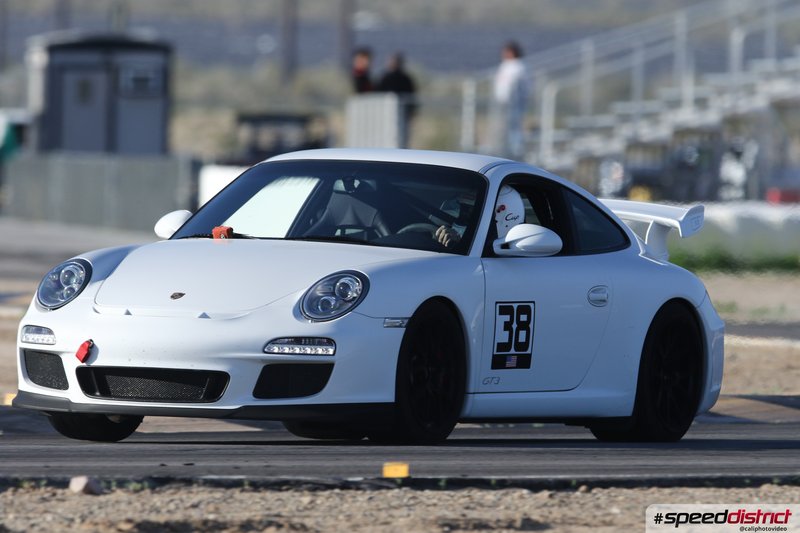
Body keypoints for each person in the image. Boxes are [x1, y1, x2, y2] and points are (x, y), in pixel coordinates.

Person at [435, 185, 524, 247]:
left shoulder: (511, 254)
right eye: (463, 209)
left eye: (472, 211)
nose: (464, 214)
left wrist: (460, 244)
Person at [490, 41, 529, 159]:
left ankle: (515, 152)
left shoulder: (519, 66)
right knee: (503, 128)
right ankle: (502, 149)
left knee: (514, 127)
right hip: (502, 102)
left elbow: (521, 85)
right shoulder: (505, 65)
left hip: (514, 103)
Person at [377, 52, 417, 148]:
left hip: (403, 115)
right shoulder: (386, 78)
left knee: (401, 138)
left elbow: (411, 96)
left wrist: (411, 112)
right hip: (385, 116)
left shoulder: (405, 79)